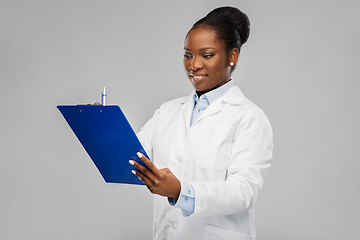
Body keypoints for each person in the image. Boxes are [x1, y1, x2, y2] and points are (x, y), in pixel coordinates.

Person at [129, 6, 273, 240]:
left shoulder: (249, 118)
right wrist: (102, 126)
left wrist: (181, 191)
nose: (193, 65)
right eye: (187, 55)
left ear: (232, 56)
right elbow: (131, 156)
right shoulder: (167, 112)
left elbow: (243, 192)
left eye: (207, 55)